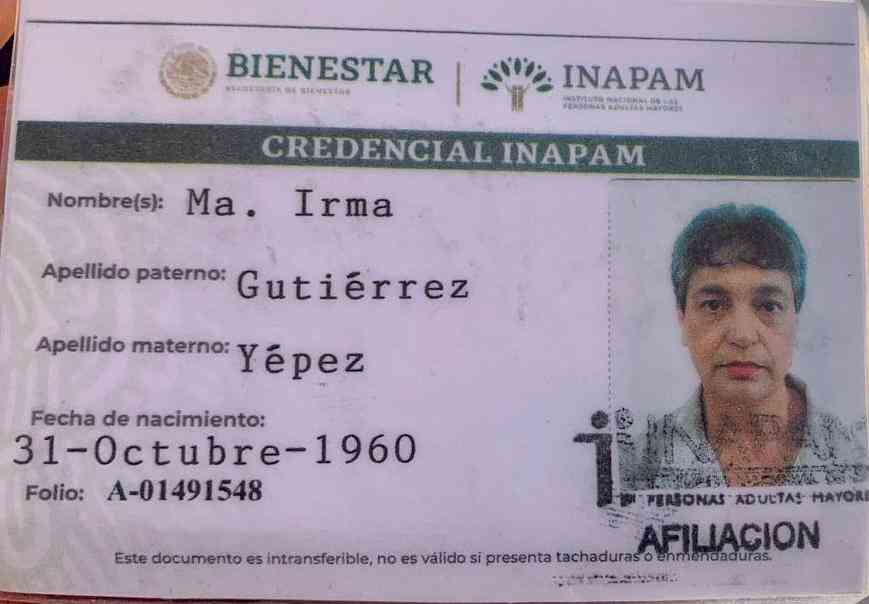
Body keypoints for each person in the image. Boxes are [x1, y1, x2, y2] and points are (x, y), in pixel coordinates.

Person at [620, 203, 867, 489]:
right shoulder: (632, 469)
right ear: (683, 321)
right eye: (713, 305)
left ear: (795, 324)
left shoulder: (858, 453)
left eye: (769, 306)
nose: (743, 335)